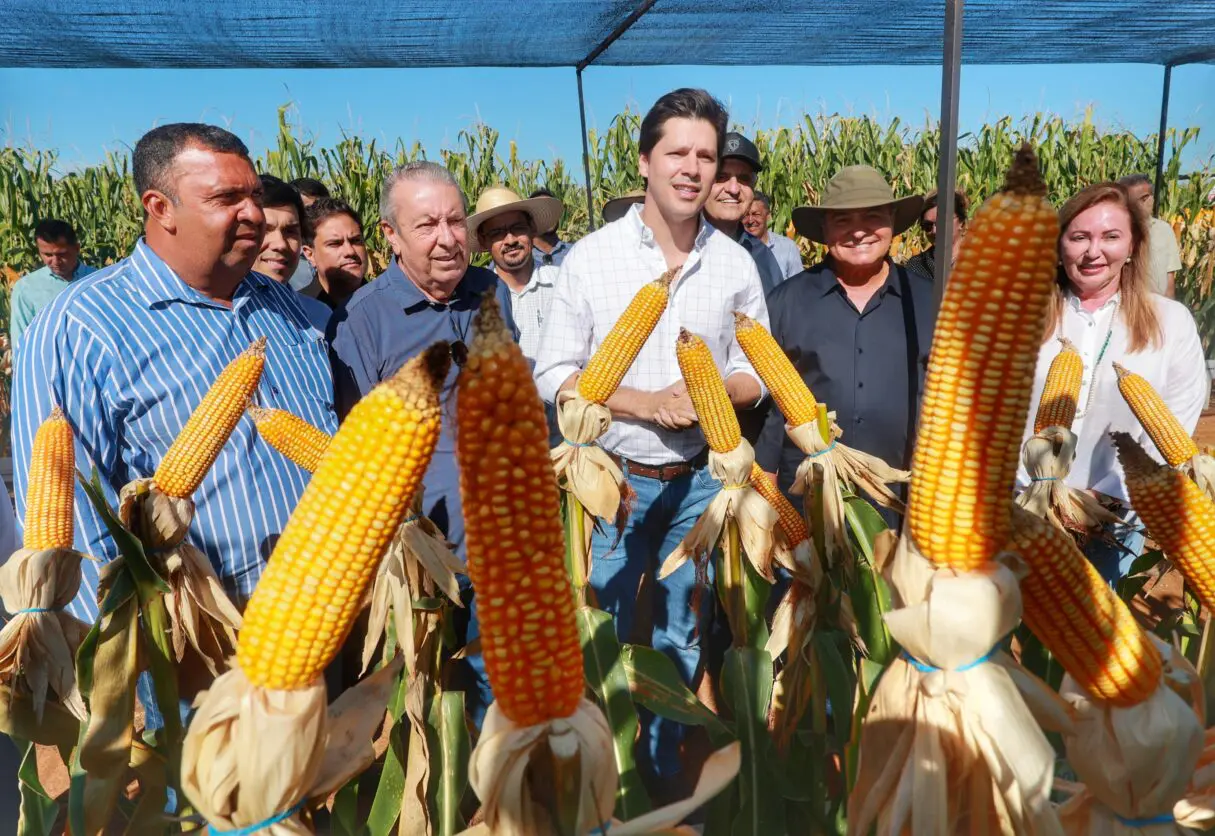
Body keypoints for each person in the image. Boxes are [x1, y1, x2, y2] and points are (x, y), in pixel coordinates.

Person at [534, 88, 768, 787]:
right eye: (677, 153)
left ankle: (663, 788)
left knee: (678, 638)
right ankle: (599, 787)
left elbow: (756, 373)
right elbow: (555, 374)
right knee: (597, 628)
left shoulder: (733, 264)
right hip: (610, 478)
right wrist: (642, 402)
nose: (692, 168)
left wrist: (707, 392)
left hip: (699, 486)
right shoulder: (591, 258)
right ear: (645, 161)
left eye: (705, 155)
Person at [12, 122, 338, 617]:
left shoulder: (282, 303)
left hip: (332, 612)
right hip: (201, 645)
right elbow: (68, 524)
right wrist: (114, 666)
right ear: (160, 208)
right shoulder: (82, 326)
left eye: (252, 194)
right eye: (227, 197)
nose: (253, 213)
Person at [329, 160, 516, 726]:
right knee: (424, 705)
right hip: (419, 558)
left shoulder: (490, 291)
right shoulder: (361, 322)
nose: (447, 239)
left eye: (456, 222)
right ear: (390, 235)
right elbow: (355, 447)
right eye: (427, 225)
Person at [1017, 182, 1208, 582]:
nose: (1093, 251)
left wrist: (1103, 499)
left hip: (1115, 520)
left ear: (1134, 245)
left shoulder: (1170, 323)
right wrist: (1038, 498)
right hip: (1023, 513)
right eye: (1079, 237)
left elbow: (1177, 421)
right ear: (1059, 244)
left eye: (1111, 237)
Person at [755, 166, 933, 521]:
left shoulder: (930, 302)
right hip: (807, 494)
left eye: (872, 216)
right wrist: (765, 480)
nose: (858, 231)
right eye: (843, 220)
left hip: (904, 495)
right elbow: (772, 405)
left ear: (892, 222)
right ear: (824, 230)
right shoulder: (786, 302)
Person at [469, 186, 563, 363]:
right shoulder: (474, 301)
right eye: (497, 233)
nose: (510, 240)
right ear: (483, 240)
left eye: (518, 228)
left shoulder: (562, 283)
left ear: (532, 229)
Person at [701, 131, 785, 295]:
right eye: (721, 176)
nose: (733, 189)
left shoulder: (763, 256)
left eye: (743, 179)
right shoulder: (675, 246)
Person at [251, 175, 334, 333]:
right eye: (264, 230)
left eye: (290, 232)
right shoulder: (217, 320)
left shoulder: (320, 317)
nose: (280, 244)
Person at [10, 220, 97, 348]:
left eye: (62, 254)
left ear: (77, 248)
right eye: (47, 255)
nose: (55, 261)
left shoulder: (99, 280)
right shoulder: (26, 289)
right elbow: (21, 342)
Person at [1118, 174, 1183, 299]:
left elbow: (1169, 277)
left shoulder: (1164, 230)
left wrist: (1169, 307)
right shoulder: (1114, 231)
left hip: (1158, 307)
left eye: (1145, 198)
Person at [304, 197, 369, 310]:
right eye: (335, 244)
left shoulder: (391, 303)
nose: (350, 251)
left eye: (356, 241)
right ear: (310, 254)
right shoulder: (298, 311)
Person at [904, 189, 969, 283]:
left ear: (961, 223)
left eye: (942, 223)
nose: (935, 231)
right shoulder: (916, 266)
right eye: (928, 225)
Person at [743, 191, 803, 279]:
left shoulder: (788, 247)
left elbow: (798, 285)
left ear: (768, 216)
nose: (750, 220)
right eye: (746, 215)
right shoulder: (735, 247)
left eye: (756, 214)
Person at [287, 177, 331, 297]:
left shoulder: (341, 251)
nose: (315, 215)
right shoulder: (284, 256)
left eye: (321, 208)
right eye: (307, 209)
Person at [529, 188, 573, 267]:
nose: (549, 215)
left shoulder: (574, 251)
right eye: (542, 211)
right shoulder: (523, 257)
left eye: (552, 210)